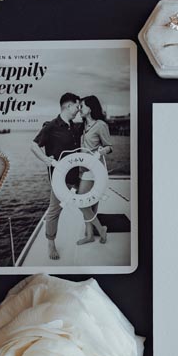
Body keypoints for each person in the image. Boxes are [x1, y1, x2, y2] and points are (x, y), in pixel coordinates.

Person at [30, 93, 82, 261]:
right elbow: (33, 145)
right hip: (59, 179)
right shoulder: (51, 127)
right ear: (68, 106)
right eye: (77, 106)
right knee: (55, 210)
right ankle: (51, 243)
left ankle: (94, 230)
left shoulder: (75, 127)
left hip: (77, 176)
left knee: (88, 203)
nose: (78, 110)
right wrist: (47, 160)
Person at [76, 95, 113, 246]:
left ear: (90, 108)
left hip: (94, 170)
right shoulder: (83, 126)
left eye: (82, 106)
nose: (79, 109)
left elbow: (109, 147)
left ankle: (101, 229)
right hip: (83, 169)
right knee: (90, 205)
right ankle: (90, 235)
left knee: (81, 202)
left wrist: (99, 152)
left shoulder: (100, 125)